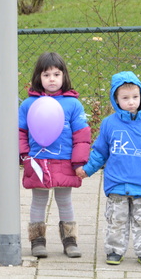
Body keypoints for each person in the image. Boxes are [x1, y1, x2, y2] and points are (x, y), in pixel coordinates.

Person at [77, 71, 141, 268]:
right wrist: (87, 170)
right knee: (116, 220)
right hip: (117, 184)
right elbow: (99, 152)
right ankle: (114, 250)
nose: (131, 102)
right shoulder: (109, 124)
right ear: (115, 99)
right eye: (125, 98)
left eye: (135, 97)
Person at [19, 52, 91, 259]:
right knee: (38, 201)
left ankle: (70, 240)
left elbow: (82, 135)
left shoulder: (73, 105)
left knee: (65, 200)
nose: (52, 79)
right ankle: (37, 241)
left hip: (65, 161)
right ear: (38, 77)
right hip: (38, 161)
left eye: (56, 74)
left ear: (64, 76)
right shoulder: (28, 105)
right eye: (46, 74)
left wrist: (79, 162)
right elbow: (20, 132)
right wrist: (24, 156)